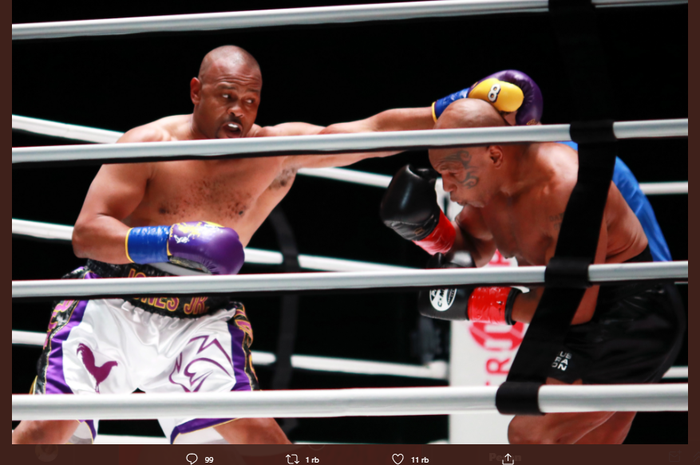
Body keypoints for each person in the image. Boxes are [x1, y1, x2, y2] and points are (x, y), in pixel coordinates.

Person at [12, 45, 436, 445]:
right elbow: (86, 234)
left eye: (250, 101)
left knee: (261, 439)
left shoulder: (273, 152)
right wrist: (169, 242)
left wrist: (450, 112)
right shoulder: (152, 145)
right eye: (226, 96)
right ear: (196, 91)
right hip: (112, 306)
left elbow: (368, 133)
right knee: (44, 433)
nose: (238, 111)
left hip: (200, 318)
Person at [380, 98, 685, 444]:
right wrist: (431, 233)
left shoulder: (567, 190)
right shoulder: (490, 187)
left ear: (494, 155)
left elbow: (570, 310)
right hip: (577, 315)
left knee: (530, 434)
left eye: (451, 172)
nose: (447, 187)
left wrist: (481, 303)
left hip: (633, 320)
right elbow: (472, 250)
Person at [431, 69, 672, 262]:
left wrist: (485, 305)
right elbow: (471, 245)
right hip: (564, 303)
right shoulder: (492, 182)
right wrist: (426, 231)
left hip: (632, 297)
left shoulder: (578, 173)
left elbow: (580, 290)